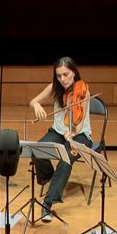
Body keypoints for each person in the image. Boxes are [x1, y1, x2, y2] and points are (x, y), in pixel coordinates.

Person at [30, 56, 93, 222]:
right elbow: (33, 101)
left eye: (66, 74)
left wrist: (72, 134)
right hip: (58, 131)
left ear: (74, 72)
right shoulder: (54, 88)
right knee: (37, 149)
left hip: (80, 135)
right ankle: (51, 179)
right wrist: (36, 105)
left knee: (66, 159)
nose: (63, 79)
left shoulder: (83, 90)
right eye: (59, 76)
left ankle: (47, 204)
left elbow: (80, 121)